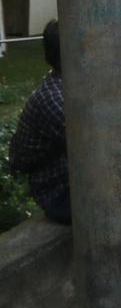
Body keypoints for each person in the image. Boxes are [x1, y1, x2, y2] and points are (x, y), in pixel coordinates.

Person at [8, 20, 70, 224]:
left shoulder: (67, 84)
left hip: (70, 181)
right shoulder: (55, 99)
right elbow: (97, 149)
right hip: (58, 193)